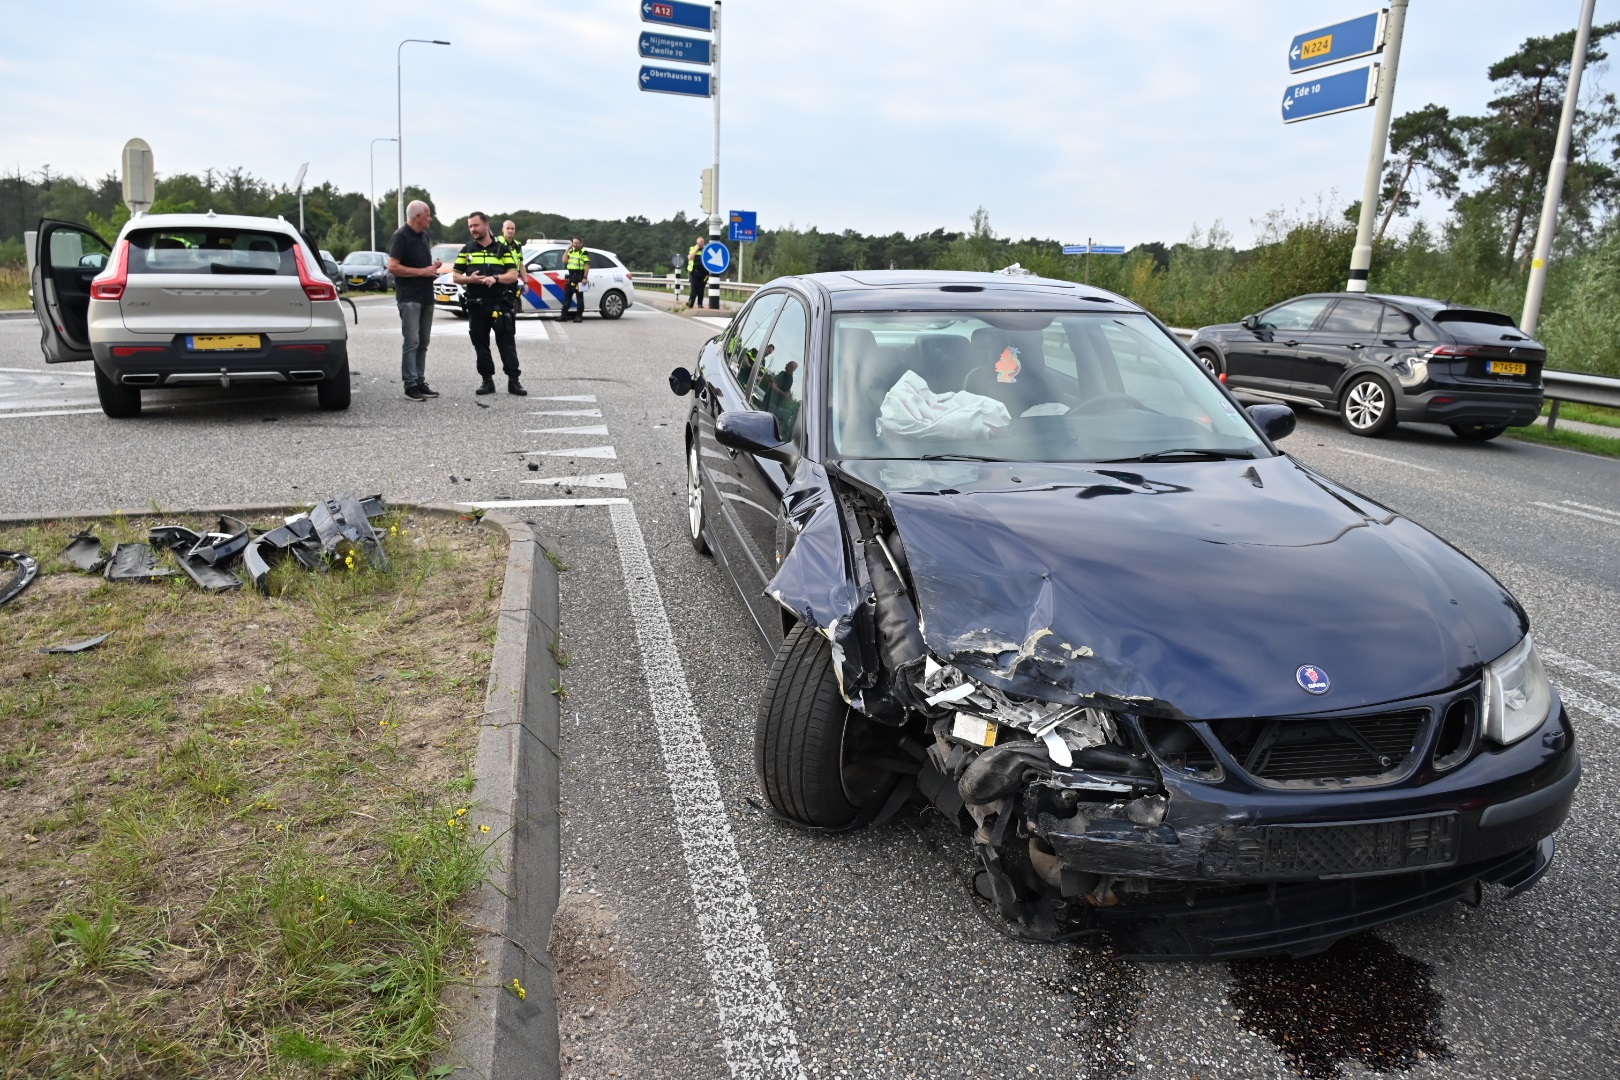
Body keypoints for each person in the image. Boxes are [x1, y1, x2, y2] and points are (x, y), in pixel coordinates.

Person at [452, 212, 526, 396]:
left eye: (476, 225)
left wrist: (496, 278)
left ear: (486, 225)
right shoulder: (467, 249)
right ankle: (487, 381)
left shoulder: (502, 249)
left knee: (507, 344)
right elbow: (456, 276)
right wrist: (471, 279)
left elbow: (513, 275)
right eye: (470, 226)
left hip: (500, 305)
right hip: (476, 305)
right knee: (480, 344)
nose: (473, 230)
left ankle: (513, 381)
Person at [387, 200, 444, 400]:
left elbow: (422, 268)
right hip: (409, 298)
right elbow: (392, 266)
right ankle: (410, 384)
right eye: (428, 214)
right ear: (417, 216)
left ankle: (419, 380)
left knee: (423, 342)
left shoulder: (424, 236)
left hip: (426, 296)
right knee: (411, 341)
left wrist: (432, 268)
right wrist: (422, 271)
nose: (431, 218)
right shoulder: (401, 237)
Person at [561, 238, 590, 323]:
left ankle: (579, 316)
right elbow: (564, 260)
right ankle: (563, 316)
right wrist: (567, 249)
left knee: (579, 298)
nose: (575, 244)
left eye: (577, 243)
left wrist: (585, 277)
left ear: (581, 243)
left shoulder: (583, 251)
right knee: (567, 297)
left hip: (579, 277)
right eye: (574, 243)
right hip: (571, 277)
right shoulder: (571, 251)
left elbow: (587, 265)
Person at [686, 234, 708, 309]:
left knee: (701, 289)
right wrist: (696, 249)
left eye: (702, 242)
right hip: (694, 272)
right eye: (700, 242)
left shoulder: (706, 250)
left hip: (705, 274)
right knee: (694, 288)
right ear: (697, 242)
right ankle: (690, 303)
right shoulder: (692, 248)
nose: (701, 244)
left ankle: (700, 304)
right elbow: (690, 257)